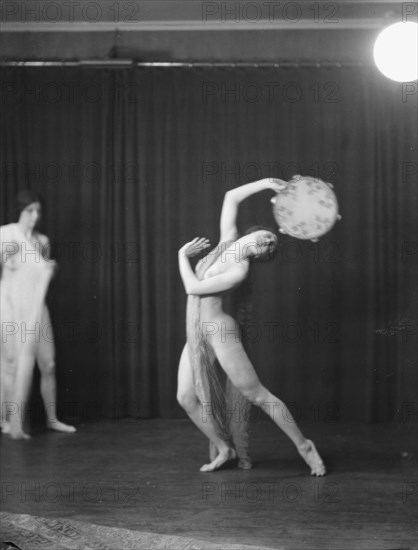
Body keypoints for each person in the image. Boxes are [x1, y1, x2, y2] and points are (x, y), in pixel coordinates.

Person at [177, 178, 326, 475]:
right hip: (196, 330)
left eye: (270, 248)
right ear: (255, 232)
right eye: (268, 238)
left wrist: (181, 255)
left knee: (255, 394)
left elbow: (193, 287)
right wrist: (270, 183)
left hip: (219, 330)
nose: (268, 243)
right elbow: (231, 196)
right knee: (185, 397)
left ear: (258, 256)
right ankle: (223, 447)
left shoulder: (238, 270)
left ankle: (304, 446)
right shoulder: (227, 241)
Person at [0, 190, 76, 439]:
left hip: (37, 307)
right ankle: (9, 420)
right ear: (19, 211)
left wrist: (51, 270)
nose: (34, 216)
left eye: (37, 211)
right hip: (12, 306)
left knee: (49, 364)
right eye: (29, 210)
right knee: (11, 364)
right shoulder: (6, 233)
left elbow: (43, 273)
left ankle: (52, 419)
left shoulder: (42, 241)